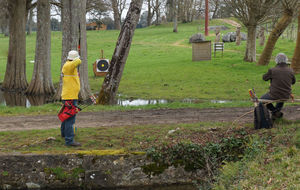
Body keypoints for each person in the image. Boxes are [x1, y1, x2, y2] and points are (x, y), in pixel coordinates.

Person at [261, 53, 296, 120]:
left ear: (276, 60)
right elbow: (293, 82)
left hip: (274, 95)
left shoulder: (272, 70)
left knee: (262, 99)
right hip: (286, 95)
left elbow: (264, 78)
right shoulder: (290, 70)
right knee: (281, 98)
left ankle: (275, 111)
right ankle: (276, 114)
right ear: (286, 60)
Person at [60, 50, 82, 146]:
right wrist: (78, 58)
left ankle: (64, 134)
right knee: (70, 119)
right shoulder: (69, 66)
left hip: (69, 95)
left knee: (66, 117)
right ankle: (69, 141)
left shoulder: (68, 65)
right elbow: (78, 62)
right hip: (70, 97)